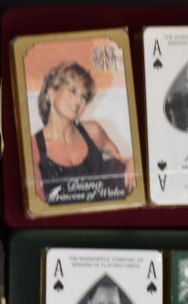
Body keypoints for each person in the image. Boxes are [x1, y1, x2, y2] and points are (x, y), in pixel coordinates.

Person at [31, 62, 135, 204]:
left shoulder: (93, 131)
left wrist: (131, 162)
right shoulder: (33, 147)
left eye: (84, 96)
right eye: (73, 91)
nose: (78, 101)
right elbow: (38, 204)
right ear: (51, 92)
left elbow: (119, 161)